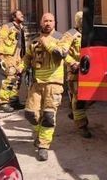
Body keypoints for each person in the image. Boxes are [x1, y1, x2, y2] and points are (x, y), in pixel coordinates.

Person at [21, 12, 70, 162]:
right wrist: (18, 68)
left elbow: (61, 53)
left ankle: (43, 146)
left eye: (50, 20)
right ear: (41, 23)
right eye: (45, 21)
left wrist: (46, 41)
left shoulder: (62, 37)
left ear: (54, 23)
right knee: (30, 114)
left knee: (48, 116)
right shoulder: (34, 40)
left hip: (54, 84)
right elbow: (27, 58)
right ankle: (41, 133)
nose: (48, 23)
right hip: (36, 83)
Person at [64, 11, 92, 139]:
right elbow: (62, 52)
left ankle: (74, 111)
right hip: (75, 73)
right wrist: (72, 63)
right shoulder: (70, 34)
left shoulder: (88, 34)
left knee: (91, 97)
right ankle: (82, 126)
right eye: (81, 19)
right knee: (79, 99)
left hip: (89, 72)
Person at [0, 9, 26, 113]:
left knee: (18, 78)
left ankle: (13, 100)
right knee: (10, 78)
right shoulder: (7, 26)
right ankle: (3, 102)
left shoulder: (21, 28)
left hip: (19, 56)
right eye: (19, 14)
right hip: (9, 56)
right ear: (14, 17)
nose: (22, 15)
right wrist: (0, 55)